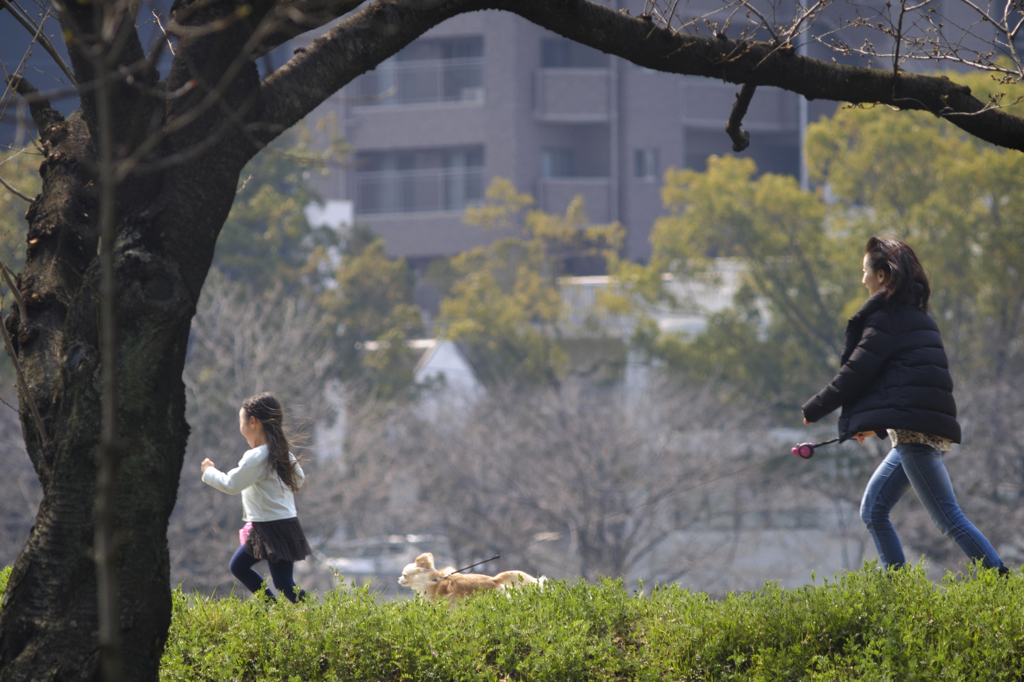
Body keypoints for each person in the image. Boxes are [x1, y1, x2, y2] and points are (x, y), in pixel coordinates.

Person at [801, 236, 1007, 574]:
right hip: (916, 430)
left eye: (865, 270)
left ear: (882, 276)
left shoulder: (887, 319)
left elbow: (857, 372)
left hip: (916, 435)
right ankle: (899, 594)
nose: (862, 278)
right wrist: (871, 422)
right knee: (873, 510)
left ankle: (1002, 580)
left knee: (947, 518)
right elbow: (902, 386)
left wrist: (814, 408)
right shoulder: (916, 318)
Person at [201, 392, 312, 601]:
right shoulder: (283, 453)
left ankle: (309, 615)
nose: (240, 428)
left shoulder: (256, 457)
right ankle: (280, 610)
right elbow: (298, 482)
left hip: (271, 527)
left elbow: (231, 484)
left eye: (241, 422)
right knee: (278, 581)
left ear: (253, 422)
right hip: (282, 525)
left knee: (273, 580)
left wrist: (208, 472)